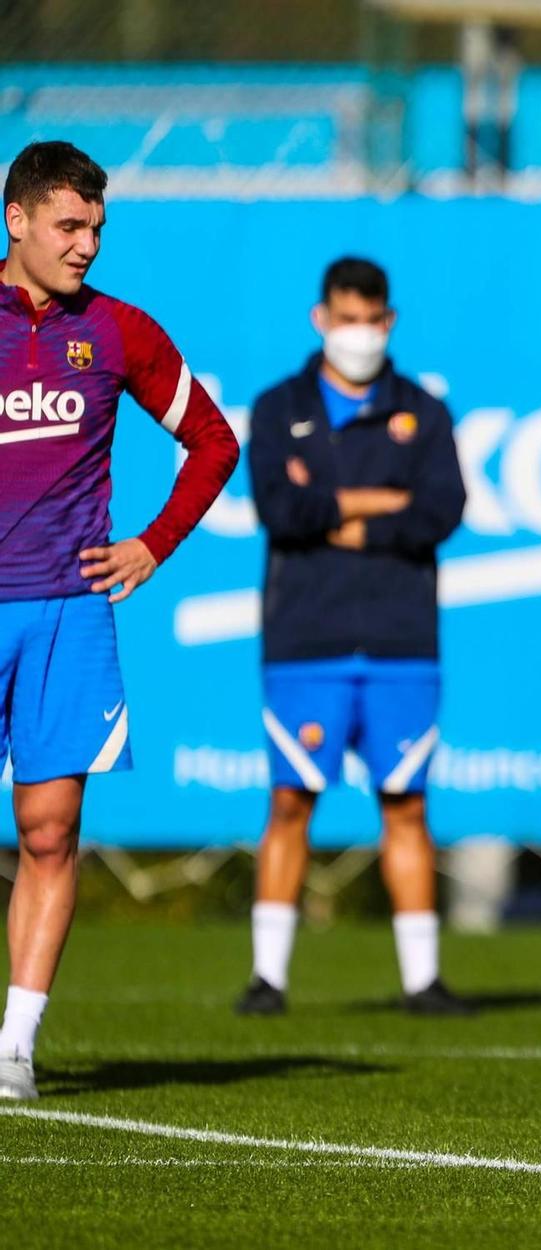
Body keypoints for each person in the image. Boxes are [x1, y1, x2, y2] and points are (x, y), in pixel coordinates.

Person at [0, 141, 240, 1100]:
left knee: (50, 832)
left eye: (96, 227)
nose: (86, 244)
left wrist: (155, 543)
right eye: (69, 225)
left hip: (66, 615)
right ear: (15, 220)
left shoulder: (119, 331)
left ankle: (15, 1045)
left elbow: (214, 443)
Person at [235, 257, 469, 1017]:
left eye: (370, 320)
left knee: (406, 805)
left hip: (403, 640)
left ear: (388, 321)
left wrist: (333, 508)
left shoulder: (423, 413)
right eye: (345, 319)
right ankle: (268, 978)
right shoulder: (279, 407)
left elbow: (437, 512)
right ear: (320, 318)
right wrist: (378, 505)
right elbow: (280, 510)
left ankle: (421, 980)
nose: (358, 334)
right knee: (291, 800)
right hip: (307, 637)